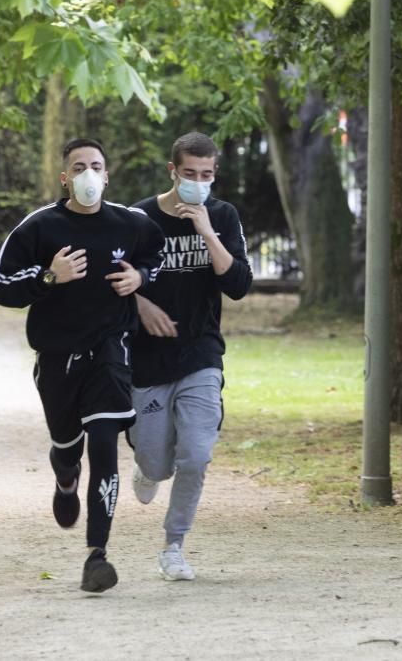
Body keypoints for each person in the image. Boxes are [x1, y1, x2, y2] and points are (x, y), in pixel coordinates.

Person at [0, 138, 165, 593]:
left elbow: (156, 254)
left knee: (104, 443)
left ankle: (97, 555)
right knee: (68, 446)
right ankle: (65, 477)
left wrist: (140, 277)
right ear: (64, 176)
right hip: (57, 358)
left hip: (111, 353)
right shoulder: (40, 227)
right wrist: (50, 276)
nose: (88, 174)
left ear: (107, 176)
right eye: (78, 166)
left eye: (96, 166)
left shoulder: (131, 223)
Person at [127, 132, 253, 581]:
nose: (199, 182)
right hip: (147, 361)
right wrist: (141, 304)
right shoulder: (139, 217)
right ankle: (145, 464)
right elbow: (113, 282)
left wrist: (206, 232)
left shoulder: (222, 215)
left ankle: (173, 547)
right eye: (189, 174)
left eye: (207, 175)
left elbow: (238, 284)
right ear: (172, 171)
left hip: (201, 354)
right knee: (157, 463)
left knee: (196, 456)